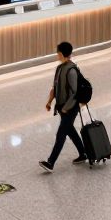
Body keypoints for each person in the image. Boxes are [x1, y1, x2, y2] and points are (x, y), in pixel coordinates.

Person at [39, 42, 87, 172]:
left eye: (57, 52)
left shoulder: (71, 70)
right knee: (70, 130)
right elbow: (55, 87)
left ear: (61, 53)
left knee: (61, 134)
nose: (56, 54)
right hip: (62, 107)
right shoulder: (59, 68)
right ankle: (83, 153)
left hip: (70, 109)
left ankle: (50, 162)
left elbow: (75, 93)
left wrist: (67, 108)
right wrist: (49, 101)